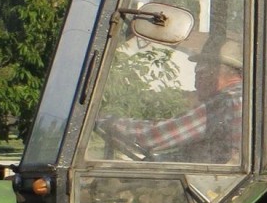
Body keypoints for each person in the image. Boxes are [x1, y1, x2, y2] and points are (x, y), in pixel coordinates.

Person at [98, 38, 244, 165]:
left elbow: (153, 136)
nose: (195, 83)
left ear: (214, 72)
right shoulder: (246, 97)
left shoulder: (226, 101)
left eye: (199, 72)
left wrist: (108, 122)